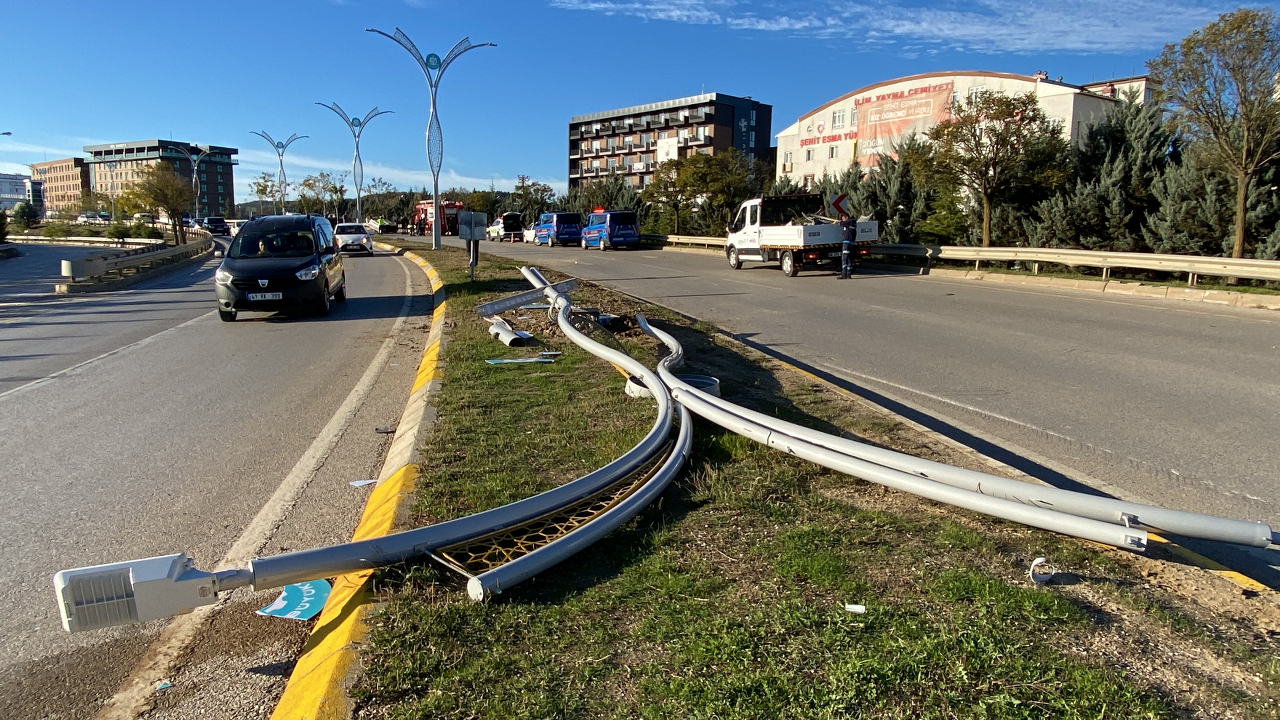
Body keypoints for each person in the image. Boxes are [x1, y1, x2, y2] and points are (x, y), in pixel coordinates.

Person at [837, 212, 856, 279]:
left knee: (844, 258)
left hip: (847, 242)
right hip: (849, 242)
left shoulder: (850, 222)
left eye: (843, 217)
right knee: (848, 258)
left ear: (847, 217)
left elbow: (841, 223)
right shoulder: (851, 222)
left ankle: (844, 274)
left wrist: (837, 222)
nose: (842, 219)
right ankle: (848, 274)